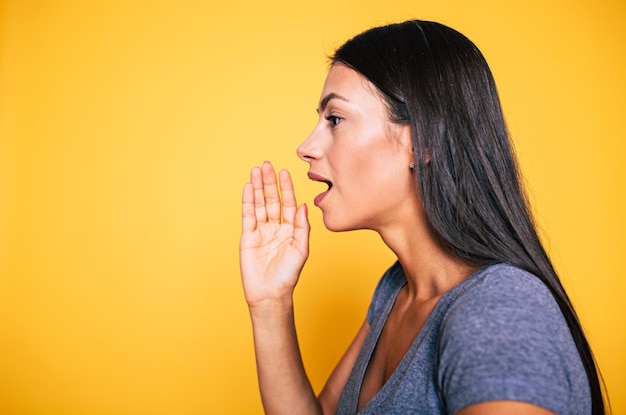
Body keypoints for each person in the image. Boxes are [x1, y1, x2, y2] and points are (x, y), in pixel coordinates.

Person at [239, 20, 606, 414]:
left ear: (423, 141)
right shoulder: (394, 292)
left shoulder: (500, 309)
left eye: (335, 119)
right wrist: (271, 304)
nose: (306, 147)